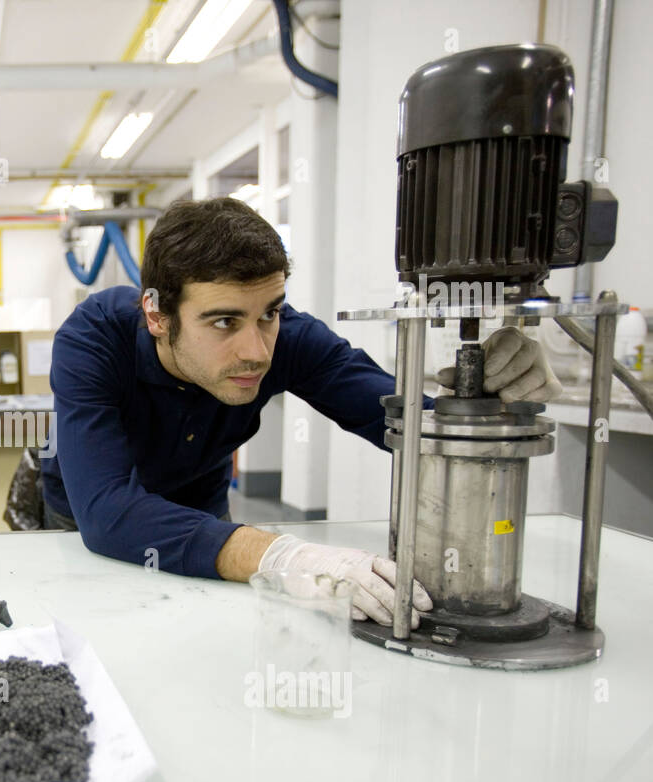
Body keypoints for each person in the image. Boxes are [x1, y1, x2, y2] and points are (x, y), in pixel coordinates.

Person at [40, 198, 561, 630]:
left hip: (199, 510)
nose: (258, 351)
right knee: (97, 634)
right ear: (157, 314)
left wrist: (490, 401)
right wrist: (283, 557)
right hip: (82, 511)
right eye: (224, 321)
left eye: (268, 312)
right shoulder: (92, 342)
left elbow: (407, 426)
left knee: (200, 641)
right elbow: (107, 513)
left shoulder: (288, 338)